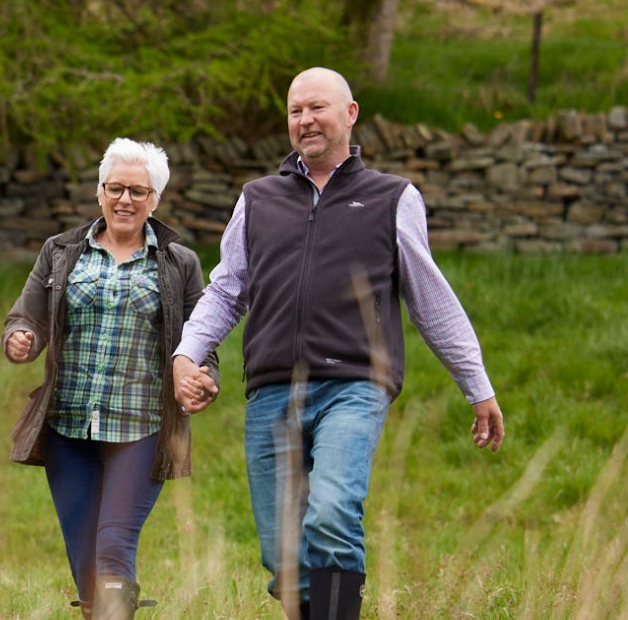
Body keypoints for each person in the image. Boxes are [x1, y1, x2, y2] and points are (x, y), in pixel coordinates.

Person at [170, 67, 507, 620]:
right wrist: (187, 354)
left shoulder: (392, 197)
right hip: (272, 390)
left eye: (318, 107)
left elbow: (431, 299)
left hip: (354, 384)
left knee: (330, 513)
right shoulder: (257, 199)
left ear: (350, 114)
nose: (305, 120)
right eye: (295, 110)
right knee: (283, 553)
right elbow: (227, 290)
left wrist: (477, 385)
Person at [2, 137, 220, 620]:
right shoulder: (60, 252)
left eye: (138, 192)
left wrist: (202, 379)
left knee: (113, 546)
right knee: (85, 561)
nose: (125, 199)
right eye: (116, 188)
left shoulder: (179, 263)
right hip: (67, 426)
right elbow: (27, 318)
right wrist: (21, 338)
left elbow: (202, 338)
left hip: (140, 428)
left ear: (155, 200)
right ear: (100, 192)